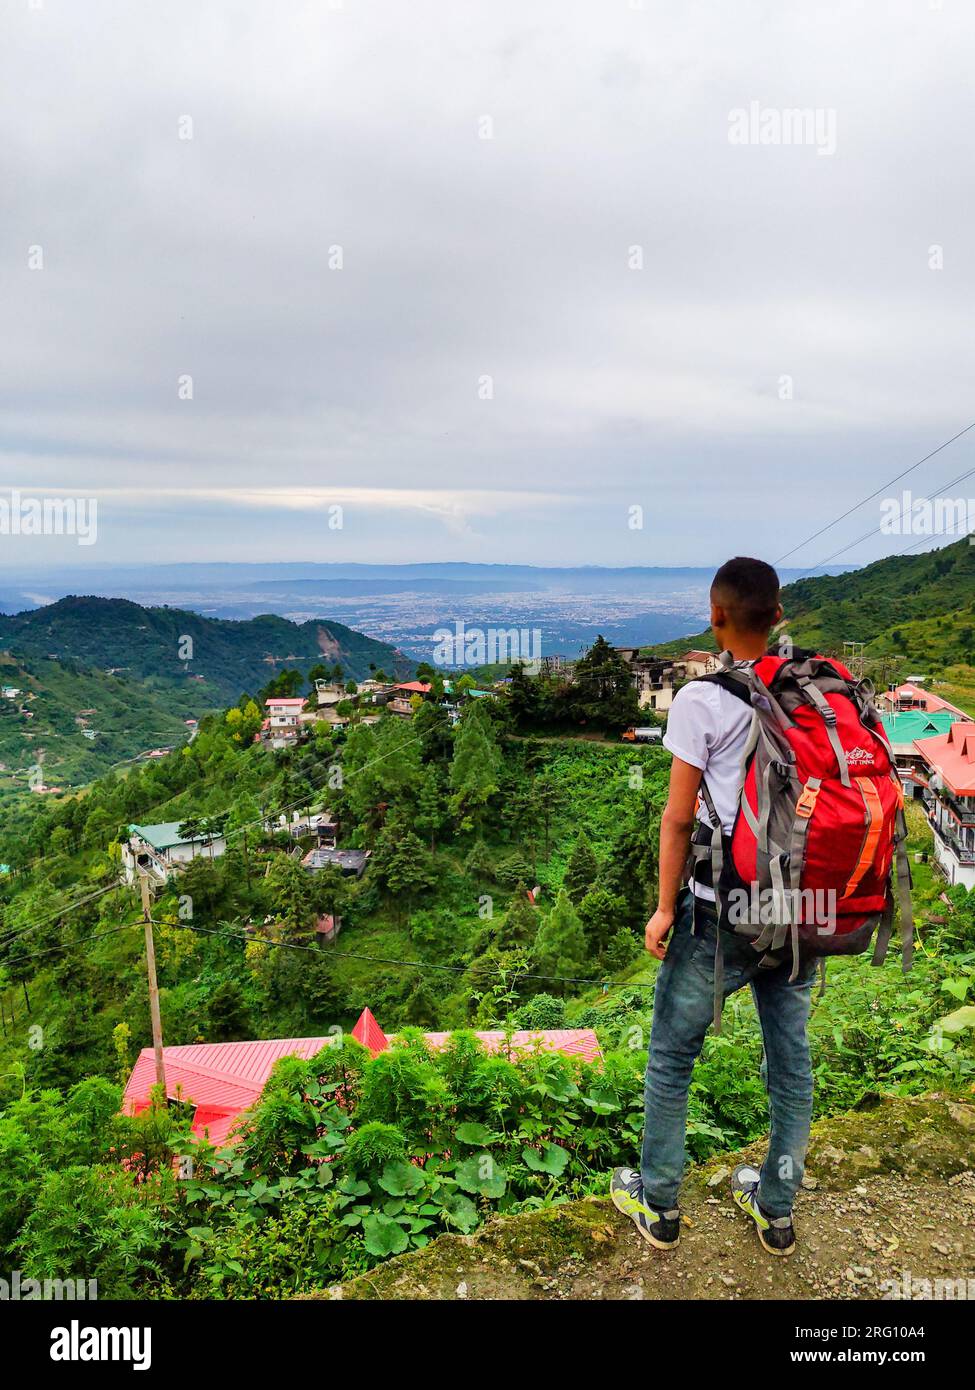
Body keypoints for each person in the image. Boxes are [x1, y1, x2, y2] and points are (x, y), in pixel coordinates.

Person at [611, 557, 815, 1257]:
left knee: (671, 1056)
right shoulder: (819, 691)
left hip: (720, 911)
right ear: (779, 615)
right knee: (790, 1063)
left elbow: (675, 820)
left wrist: (663, 909)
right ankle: (777, 1210)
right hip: (800, 908)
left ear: (716, 616)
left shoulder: (702, 700)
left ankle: (659, 1205)